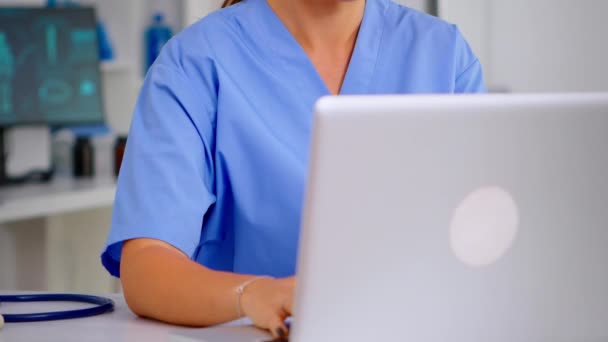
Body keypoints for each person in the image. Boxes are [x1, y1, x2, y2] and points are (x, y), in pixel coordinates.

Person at [101, 0, 485, 338]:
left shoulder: (443, 55)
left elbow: (484, 240)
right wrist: (252, 295)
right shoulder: (195, 64)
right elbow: (147, 268)